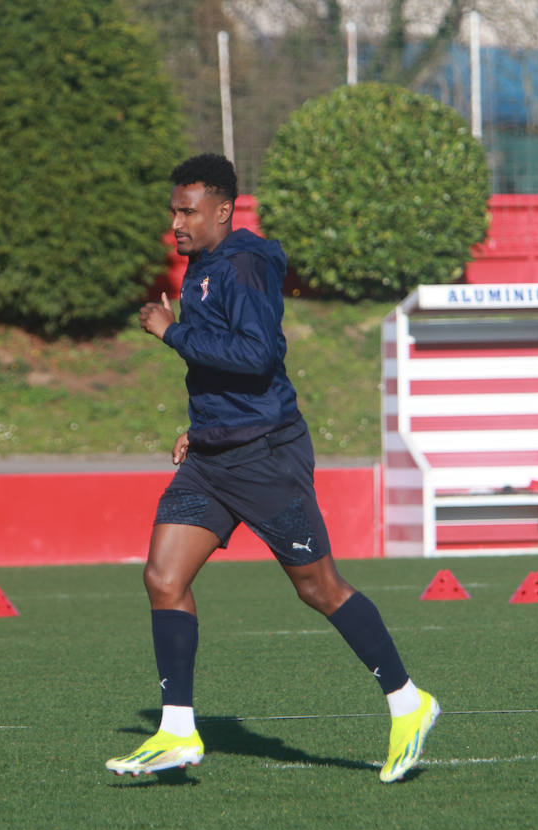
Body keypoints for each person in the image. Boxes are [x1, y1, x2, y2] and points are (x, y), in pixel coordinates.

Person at [104, 154, 438, 783]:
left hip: (266, 457)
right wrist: (197, 428)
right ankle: (177, 729)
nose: (174, 222)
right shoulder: (201, 267)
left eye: (187, 211)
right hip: (213, 458)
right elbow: (221, 374)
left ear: (223, 210)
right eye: (173, 210)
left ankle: (408, 701)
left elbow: (257, 356)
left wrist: (171, 333)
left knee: (319, 587)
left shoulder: (245, 264)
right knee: (162, 576)